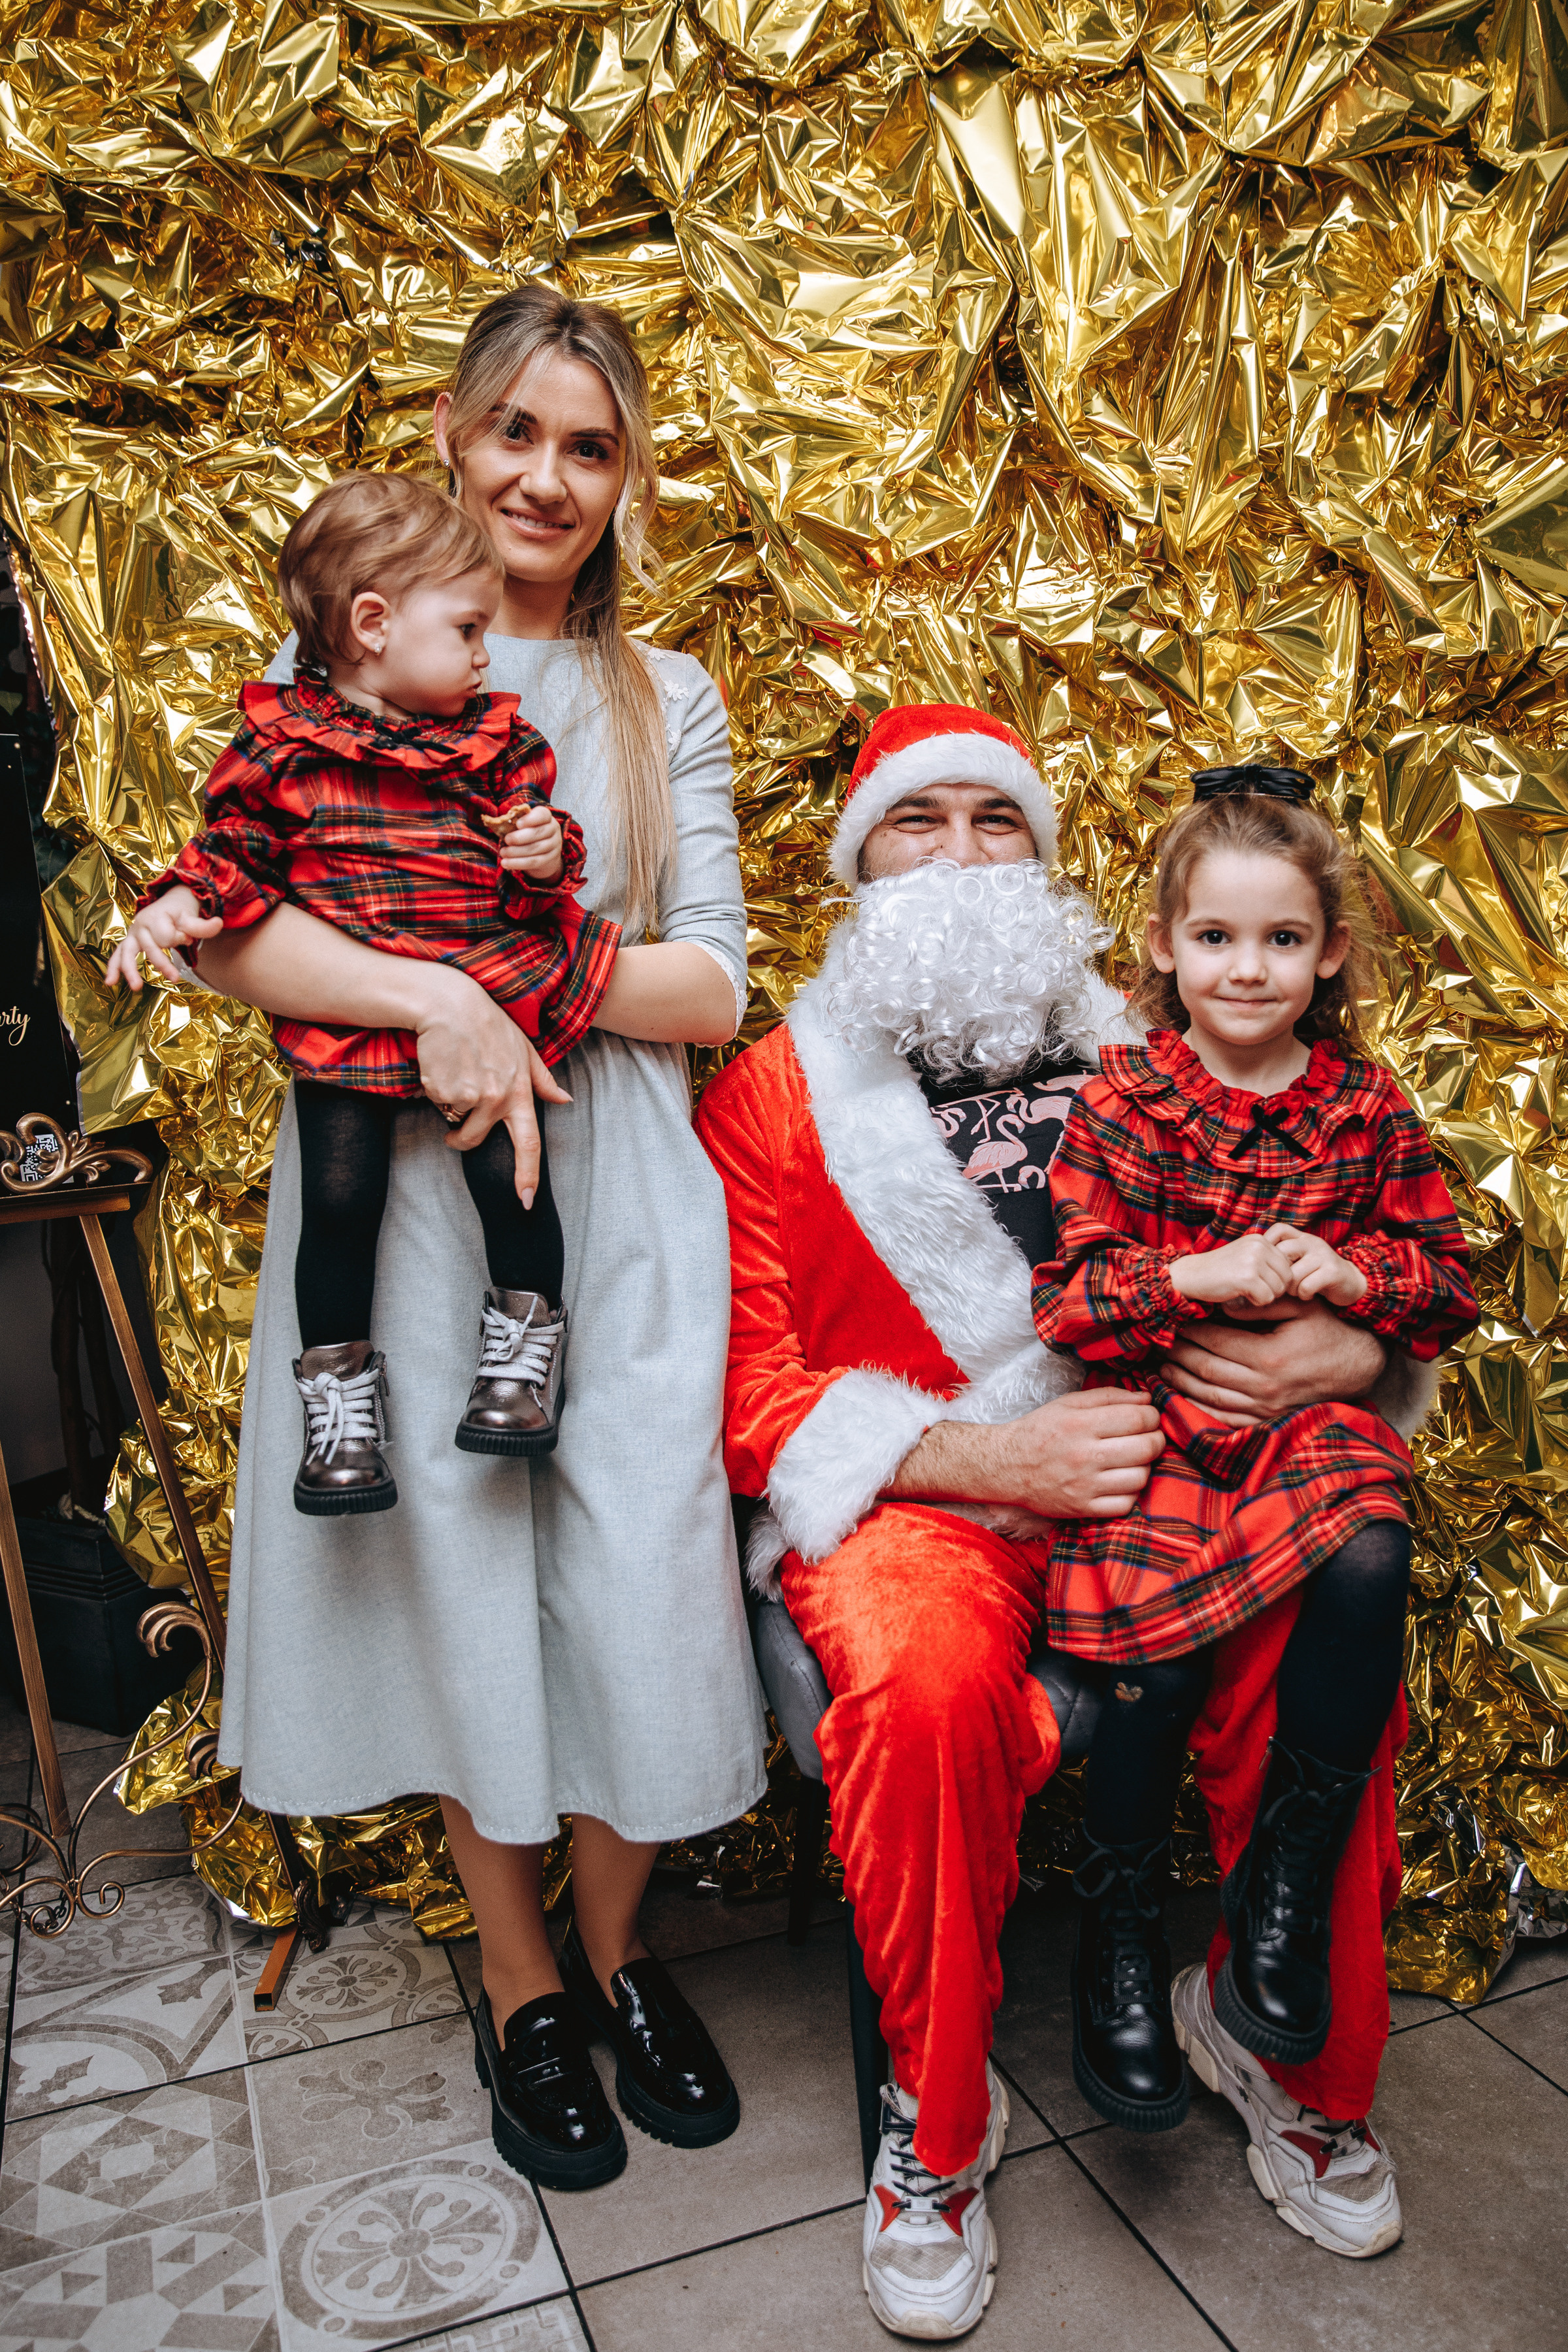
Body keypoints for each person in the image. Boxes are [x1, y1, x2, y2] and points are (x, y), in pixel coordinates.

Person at [697, 704, 1435, 2340]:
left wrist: (1359, 1345)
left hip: (1184, 1467)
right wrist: (986, 1462)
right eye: (917, 823)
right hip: (933, 1495)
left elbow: (1341, 1242)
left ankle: (1289, 2054)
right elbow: (744, 1390)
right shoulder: (771, 1095)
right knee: (923, 1682)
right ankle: (937, 2127)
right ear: (855, 866)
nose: (960, 855)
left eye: (996, 823)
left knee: (1326, 1608)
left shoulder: (1170, 1047)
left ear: (1048, 862)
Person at [184, 287, 767, 2193]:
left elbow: (714, 990)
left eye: (588, 446)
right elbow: (237, 932)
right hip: (405, 1210)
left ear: (624, 480)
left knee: (640, 1574)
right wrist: (439, 1004)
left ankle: (619, 1950)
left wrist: (512, 986)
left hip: (615, 1194)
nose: (545, 475)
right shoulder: (342, 666)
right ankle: (524, 1981)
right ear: (451, 434)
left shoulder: (658, 700)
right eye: (515, 429)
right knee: (457, 1578)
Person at [1032, 770, 1477, 2138]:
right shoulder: (1123, 1100)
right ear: (1163, 944)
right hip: (1167, 1439)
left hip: (1302, 1436)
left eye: (1282, 939)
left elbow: (1445, 1290)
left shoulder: (1365, 1106)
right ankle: (1116, 1924)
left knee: (1373, 1549)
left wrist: (1349, 1270)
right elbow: (1070, 1304)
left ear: (1330, 953)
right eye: (1216, 937)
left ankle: (1286, 1881)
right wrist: (1198, 1273)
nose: (1248, 967)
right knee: (1149, 1668)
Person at [108, 473, 621, 1503]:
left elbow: (546, 842)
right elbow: (233, 855)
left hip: (483, 984)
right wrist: (171, 906)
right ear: (374, 623)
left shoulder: (489, 739)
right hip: (353, 1015)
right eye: (470, 628)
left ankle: (524, 1362)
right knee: (338, 1201)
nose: (487, 654)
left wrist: (538, 853)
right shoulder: (284, 750)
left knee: (510, 1175)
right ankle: (340, 1409)